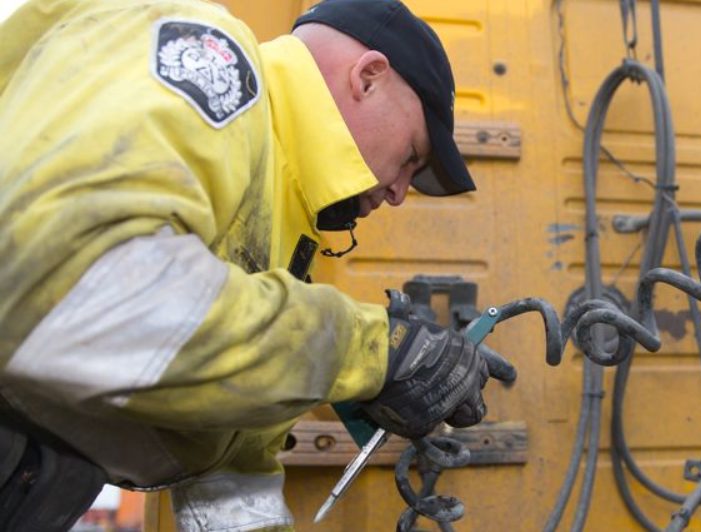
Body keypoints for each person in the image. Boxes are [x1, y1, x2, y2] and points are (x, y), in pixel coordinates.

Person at [0, 0, 515, 530]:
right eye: (411, 157)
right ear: (368, 77)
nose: (399, 193)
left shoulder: (280, 231)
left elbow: (230, 477)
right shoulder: (210, 55)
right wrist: (372, 352)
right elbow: (77, 285)